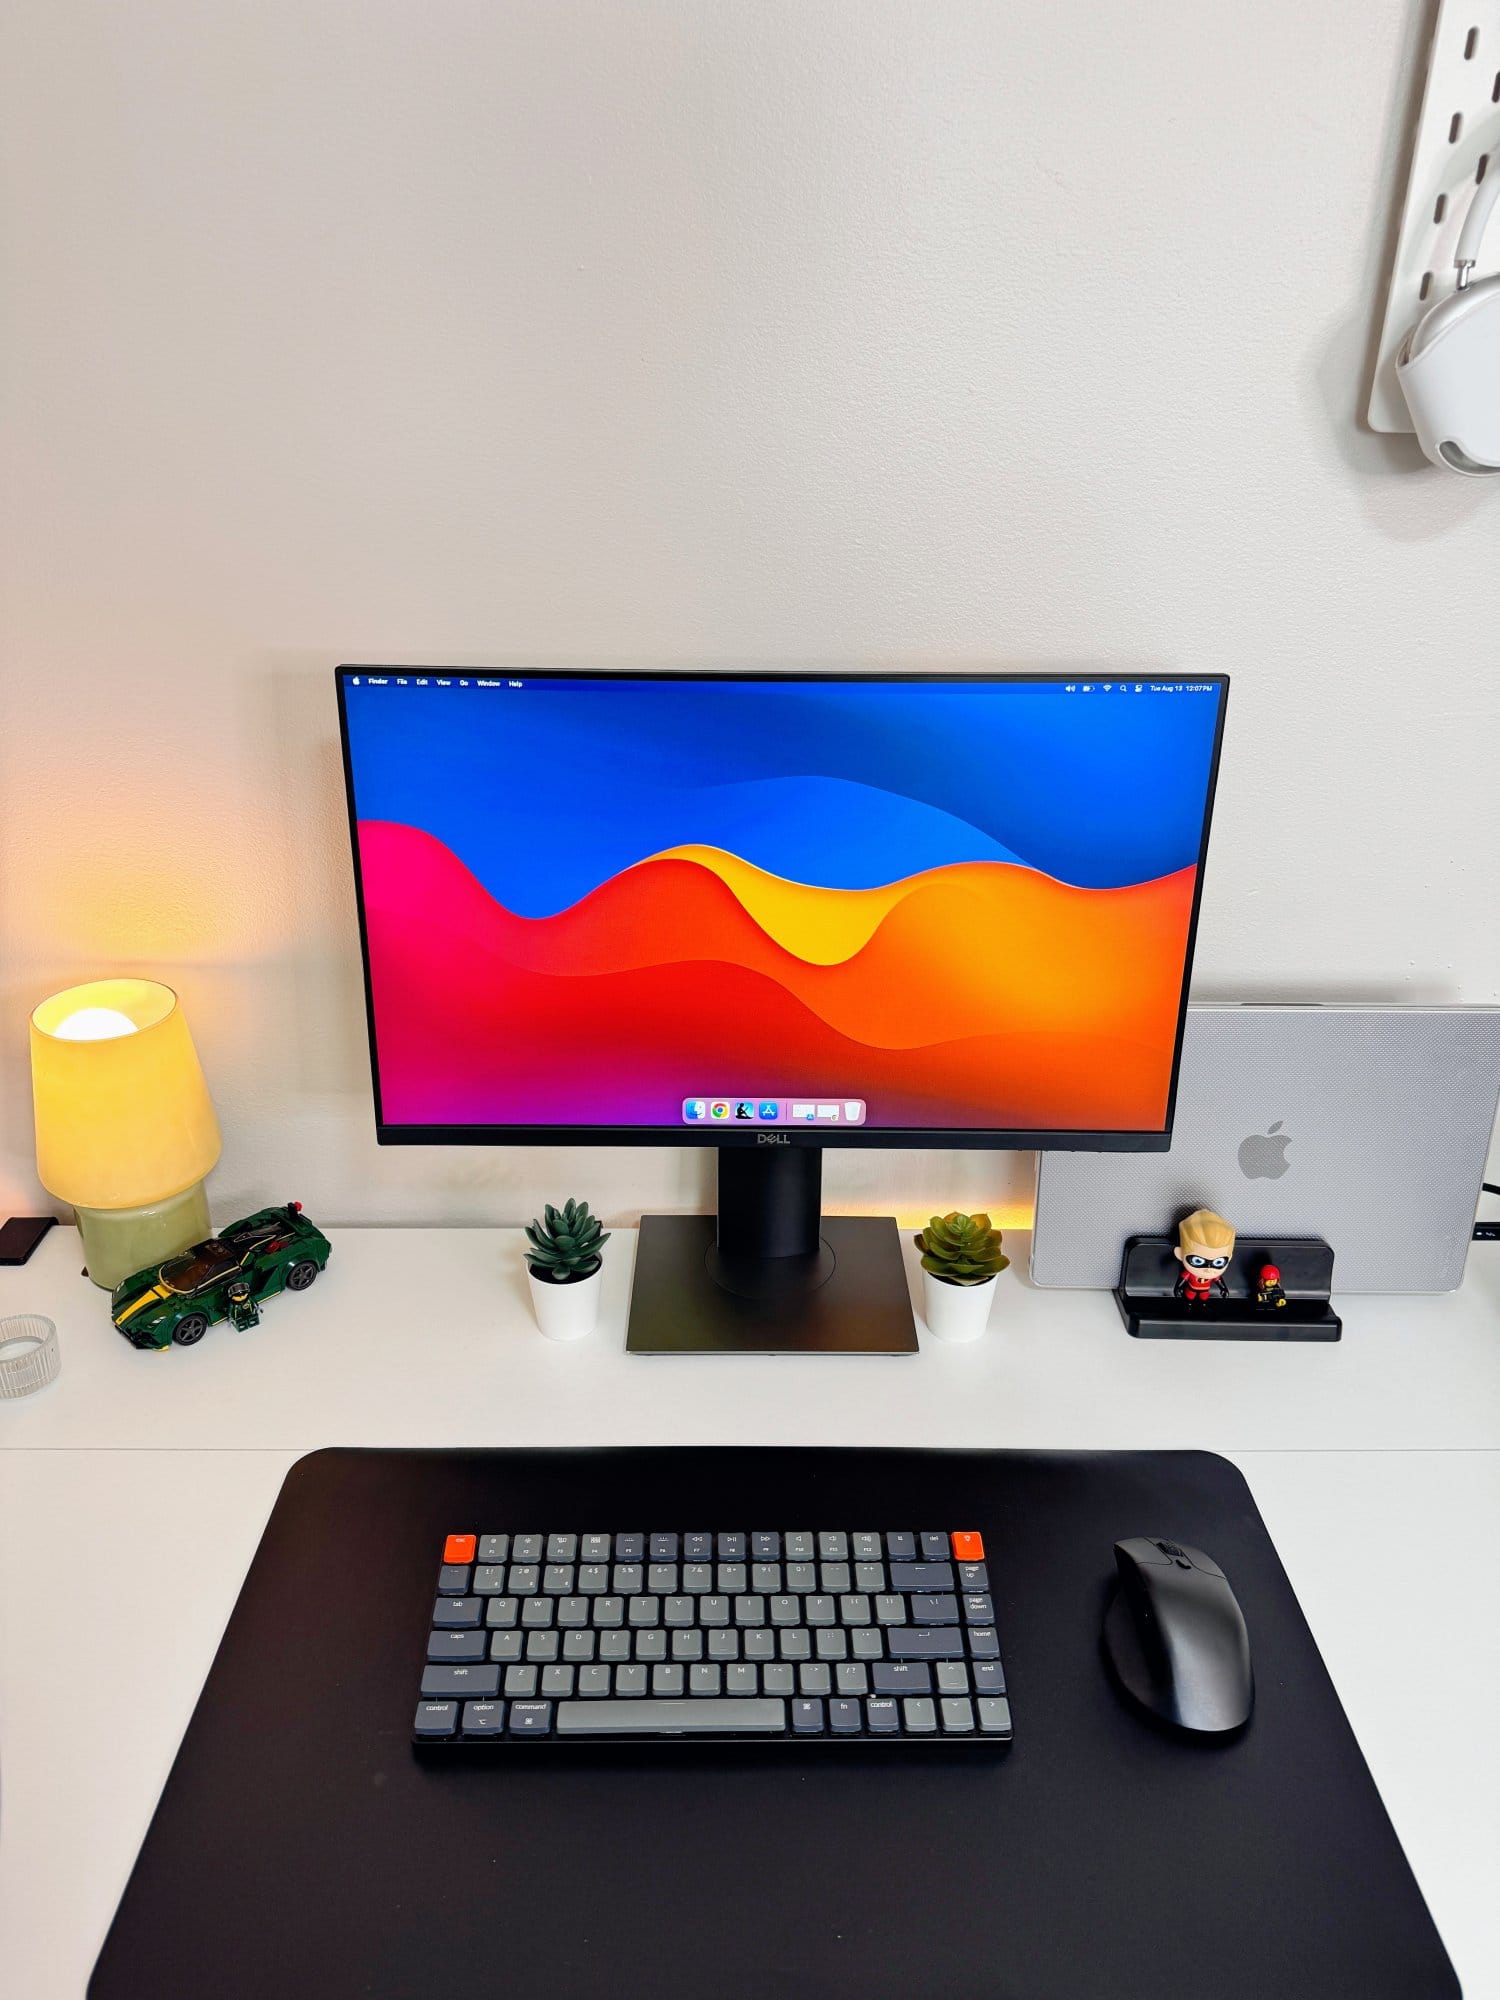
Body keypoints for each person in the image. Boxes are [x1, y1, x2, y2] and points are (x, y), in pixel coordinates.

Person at [1173, 1208, 1234, 1301]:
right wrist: (1178, 1288)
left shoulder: (1214, 1275)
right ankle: (1189, 1305)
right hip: (1191, 1289)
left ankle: (1203, 1305)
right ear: (1180, 1254)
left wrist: (1223, 1288)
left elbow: (1219, 1281)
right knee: (1189, 1297)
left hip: (1205, 1291)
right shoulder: (1189, 1273)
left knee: (1204, 1298)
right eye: (1198, 1261)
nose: (1208, 1268)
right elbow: (1182, 1279)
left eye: (1218, 1262)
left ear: (1229, 1258)